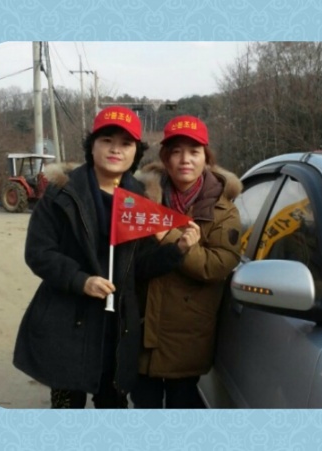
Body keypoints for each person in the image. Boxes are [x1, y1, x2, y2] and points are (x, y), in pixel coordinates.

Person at [13, 106, 200, 409]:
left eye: (126, 143)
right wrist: (81, 280)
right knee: (66, 408)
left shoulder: (141, 198)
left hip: (117, 327)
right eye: (107, 140)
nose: (115, 149)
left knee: (112, 407)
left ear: (136, 151)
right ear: (92, 146)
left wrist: (176, 250)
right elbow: (38, 252)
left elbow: (140, 265)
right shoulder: (62, 192)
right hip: (67, 321)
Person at [130, 115, 243, 408]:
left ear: (206, 158)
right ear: (165, 157)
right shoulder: (142, 199)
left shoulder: (223, 210)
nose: (185, 160)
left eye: (194, 151)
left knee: (182, 404)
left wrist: (169, 238)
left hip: (187, 335)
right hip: (142, 326)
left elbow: (218, 265)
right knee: (144, 405)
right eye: (176, 151)